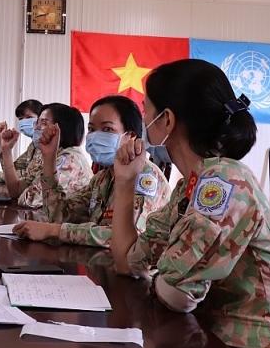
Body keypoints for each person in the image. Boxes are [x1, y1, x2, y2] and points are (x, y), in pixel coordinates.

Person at [110, 58, 270, 348]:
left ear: (166, 120)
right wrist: (125, 182)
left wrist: (164, 270)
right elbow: (128, 262)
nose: (142, 119)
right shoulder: (190, 186)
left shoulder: (226, 180)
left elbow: (178, 294)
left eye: (145, 109)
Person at [13, 95, 170, 246]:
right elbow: (59, 215)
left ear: (131, 136)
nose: (95, 136)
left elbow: (125, 238)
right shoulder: (102, 178)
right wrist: (49, 159)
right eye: (91, 129)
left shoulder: (146, 177)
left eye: (107, 129)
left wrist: (56, 231)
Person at [0, 103, 92, 209]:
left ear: (61, 129)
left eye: (43, 123)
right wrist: (7, 150)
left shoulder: (68, 160)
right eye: (37, 122)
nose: (36, 127)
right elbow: (15, 190)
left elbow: (29, 199)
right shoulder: (52, 155)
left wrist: (27, 190)